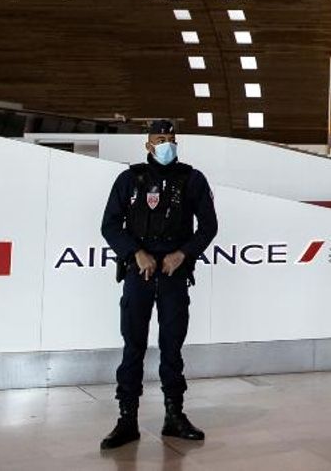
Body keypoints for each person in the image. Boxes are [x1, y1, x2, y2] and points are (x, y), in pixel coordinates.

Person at [98, 119, 219, 450]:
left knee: (172, 346)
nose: (166, 143)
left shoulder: (192, 179)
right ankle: (127, 420)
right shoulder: (130, 179)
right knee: (133, 346)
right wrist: (135, 253)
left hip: (173, 275)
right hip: (140, 273)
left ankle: (174, 416)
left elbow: (209, 227)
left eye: (170, 138)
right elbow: (109, 225)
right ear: (148, 145)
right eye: (159, 139)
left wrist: (183, 253)